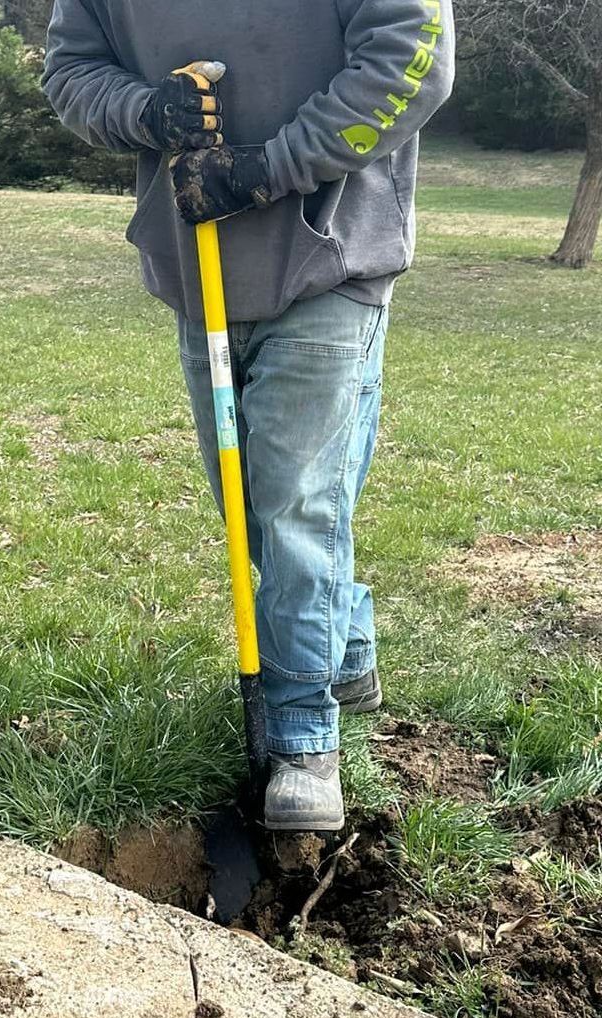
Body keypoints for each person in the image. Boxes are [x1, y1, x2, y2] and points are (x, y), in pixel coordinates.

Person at [42, 2, 455, 832]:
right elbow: (71, 73)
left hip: (328, 260)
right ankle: (347, 646)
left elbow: (414, 54)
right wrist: (144, 111)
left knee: (296, 503)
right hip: (199, 271)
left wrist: (269, 168)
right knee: (254, 505)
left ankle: (304, 737)